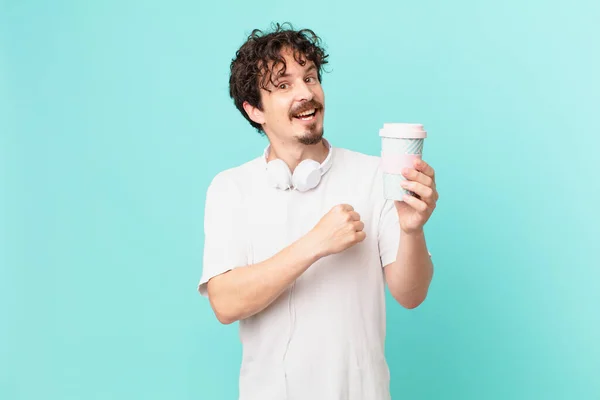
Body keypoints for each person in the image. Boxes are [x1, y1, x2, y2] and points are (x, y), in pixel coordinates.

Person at [197, 22, 439, 400]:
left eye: (310, 78)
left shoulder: (376, 175)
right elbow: (226, 303)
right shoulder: (231, 188)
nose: (305, 93)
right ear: (254, 110)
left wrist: (412, 229)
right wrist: (315, 244)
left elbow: (411, 295)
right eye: (284, 85)